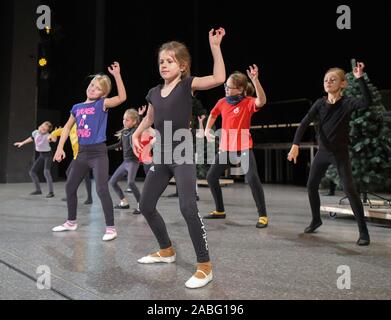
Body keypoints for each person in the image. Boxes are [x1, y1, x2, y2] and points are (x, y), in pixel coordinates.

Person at [132, 28, 226, 289]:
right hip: (161, 153)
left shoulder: (187, 84)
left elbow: (219, 78)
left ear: (182, 66)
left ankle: (205, 266)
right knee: (146, 205)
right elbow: (150, 118)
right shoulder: (153, 92)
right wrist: (136, 134)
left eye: (170, 60)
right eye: (161, 61)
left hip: (182, 151)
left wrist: (215, 46)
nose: (164, 64)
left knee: (187, 208)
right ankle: (166, 250)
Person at [287, 61, 371, 246]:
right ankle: (316, 219)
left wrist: (360, 79)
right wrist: (295, 144)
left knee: (349, 189)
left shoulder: (347, 103)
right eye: (326, 80)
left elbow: (366, 102)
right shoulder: (319, 104)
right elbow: (304, 122)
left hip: (340, 154)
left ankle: (363, 232)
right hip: (323, 152)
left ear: (343, 84)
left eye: (333, 80)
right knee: (311, 185)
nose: (328, 82)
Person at [52, 61, 126, 241]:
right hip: (82, 154)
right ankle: (71, 222)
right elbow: (67, 128)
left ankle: (110, 228)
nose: (93, 89)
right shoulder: (76, 108)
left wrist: (117, 76)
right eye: (92, 85)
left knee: (101, 189)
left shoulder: (102, 104)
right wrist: (60, 148)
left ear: (103, 93)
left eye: (98, 88)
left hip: (98, 153)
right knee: (70, 186)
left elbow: (122, 98)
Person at [203, 66, 269, 228]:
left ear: (239, 89)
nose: (225, 89)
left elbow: (262, 101)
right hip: (226, 148)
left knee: (252, 178)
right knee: (211, 177)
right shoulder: (222, 102)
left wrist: (255, 80)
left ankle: (263, 216)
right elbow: (213, 114)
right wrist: (206, 130)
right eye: (225, 86)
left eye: (229, 87)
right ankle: (220, 210)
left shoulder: (248, 103)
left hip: (244, 147)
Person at [108, 108, 142, 214]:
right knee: (112, 182)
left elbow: (141, 127)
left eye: (127, 120)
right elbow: (119, 145)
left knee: (131, 182)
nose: (124, 121)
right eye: (124, 119)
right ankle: (124, 202)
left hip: (133, 162)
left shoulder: (135, 131)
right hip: (125, 162)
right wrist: (105, 148)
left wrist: (140, 116)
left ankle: (141, 205)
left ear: (134, 121)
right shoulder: (125, 132)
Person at [49, 125, 93, 204]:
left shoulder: (83, 126)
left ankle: (87, 197)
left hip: (84, 155)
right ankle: (73, 195)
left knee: (84, 176)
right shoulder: (71, 127)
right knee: (70, 172)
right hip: (77, 155)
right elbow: (61, 131)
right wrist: (53, 134)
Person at [14, 121, 55, 198]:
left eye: (44, 129)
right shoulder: (35, 132)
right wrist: (22, 143)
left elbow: (53, 139)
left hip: (48, 155)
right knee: (32, 172)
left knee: (46, 172)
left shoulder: (48, 136)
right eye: (42, 127)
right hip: (41, 155)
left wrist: (53, 137)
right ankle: (38, 190)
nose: (42, 129)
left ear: (47, 131)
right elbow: (31, 138)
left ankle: (51, 192)